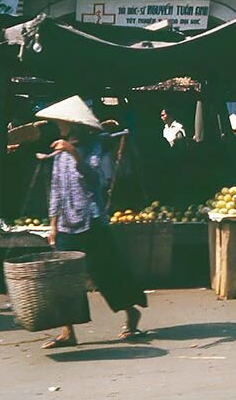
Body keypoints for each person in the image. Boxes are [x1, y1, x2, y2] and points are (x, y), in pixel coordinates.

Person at [38, 96, 148, 349]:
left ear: (73, 125)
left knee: (106, 272)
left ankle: (131, 313)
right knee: (65, 278)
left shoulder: (94, 147)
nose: (59, 127)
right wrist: (53, 224)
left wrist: (74, 153)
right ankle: (68, 331)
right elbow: (55, 188)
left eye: (62, 123)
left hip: (91, 221)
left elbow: (95, 178)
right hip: (66, 223)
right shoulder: (58, 151)